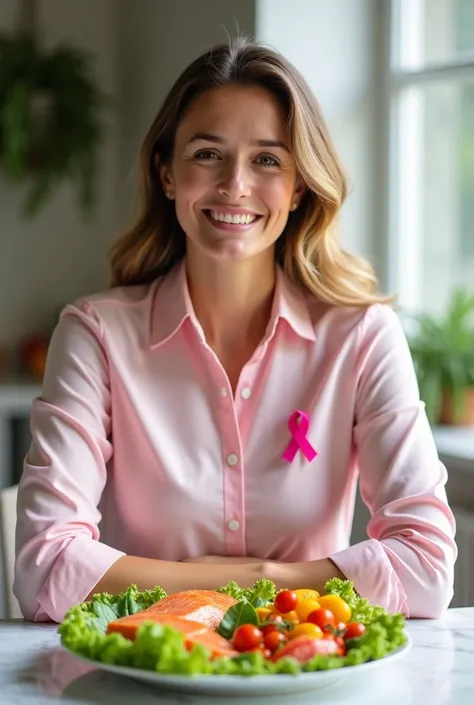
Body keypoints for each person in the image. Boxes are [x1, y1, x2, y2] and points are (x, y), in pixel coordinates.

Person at [14, 38, 456, 624]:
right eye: (207, 154)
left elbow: (427, 568)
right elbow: (43, 569)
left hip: (304, 671)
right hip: (139, 675)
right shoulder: (94, 334)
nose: (236, 185)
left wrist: (256, 577)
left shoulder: (364, 337)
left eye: (268, 160)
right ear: (166, 172)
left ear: (299, 186)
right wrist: (270, 582)